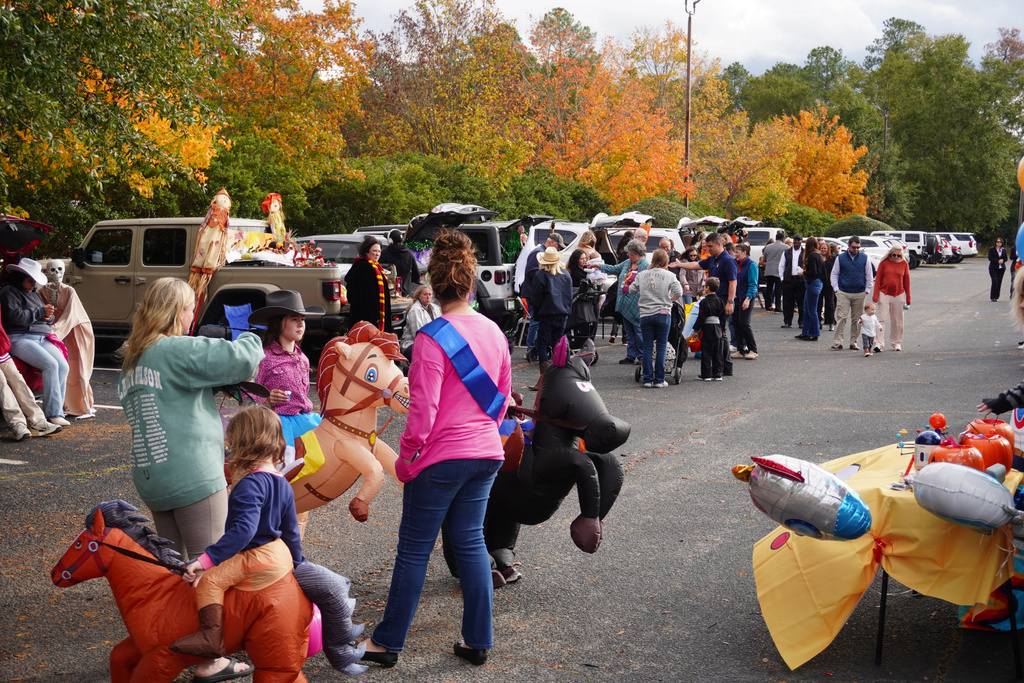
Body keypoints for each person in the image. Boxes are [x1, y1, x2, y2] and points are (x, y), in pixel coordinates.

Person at [360, 229, 511, 669]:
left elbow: (423, 412)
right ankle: (478, 640)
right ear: (469, 283)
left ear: (434, 284)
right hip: (485, 453)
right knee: (471, 544)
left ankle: (388, 643)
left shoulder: (431, 338)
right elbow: (501, 397)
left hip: (442, 457)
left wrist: (406, 458)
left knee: (413, 550)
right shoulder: (495, 332)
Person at [117, 277, 262, 682]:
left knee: (176, 571)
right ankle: (211, 659)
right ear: (173, 312)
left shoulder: (134, 357)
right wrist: (249, 333)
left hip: (154, 477)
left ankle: (170, 644)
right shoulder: (172, 349)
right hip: (193, 473)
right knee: (210, 568)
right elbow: (242, 360)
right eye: (186, 309)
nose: (190, 316)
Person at [171, 405, 304, 661]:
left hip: (254, 556)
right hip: (279, 555)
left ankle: (211, 638)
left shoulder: (249, 485)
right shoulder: (281, 481)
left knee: (209, 580)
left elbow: (244, 531)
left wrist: (205, 560)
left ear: (242, 444)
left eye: (230, 442)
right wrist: (298, 564)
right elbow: (291, 531)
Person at [249, 290, 325, 467]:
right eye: (294, 319)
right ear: (278, 323)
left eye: (303, 320)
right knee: (286, 465)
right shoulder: (264, 358)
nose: (300, 324)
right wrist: (266, 399)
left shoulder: (303, 358)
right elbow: (246, 395)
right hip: (276, 424)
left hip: (303, 420)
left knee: (328, 448)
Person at [0, 258, 70, 426]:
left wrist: (48, 316)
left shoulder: (33, 294)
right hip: (19, 337)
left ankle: (57, 410)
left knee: (63, 366)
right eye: (30, 280)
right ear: (19, 277)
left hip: (41, 336)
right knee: (50, 365)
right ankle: (52, 413)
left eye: (34, 281)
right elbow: (14, 317)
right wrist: (40, 313)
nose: (33, 285)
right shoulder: (8, 292)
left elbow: (45, 316)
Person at [39, 259, 95, 418]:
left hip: (77, 330)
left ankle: (84, 406)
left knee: (79, 367)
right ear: (48, 272)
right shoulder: (43, 291)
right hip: (56, 332)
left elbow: (72, 315)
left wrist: (53, 331)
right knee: (62, 365)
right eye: (53, 270)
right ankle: (63, 405)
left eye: (60, 270)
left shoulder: (69, 291)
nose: (57, 274)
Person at [0, 301, 60, 440]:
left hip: (1, 349)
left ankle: (38, 421)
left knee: (18, 381)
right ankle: (17, 424)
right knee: (2, 385)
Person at [679, 232, 737, 377]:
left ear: (719, 244)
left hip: (722, 299)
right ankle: (723, 367)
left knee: (720, 333)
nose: (707, 249)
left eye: (710, 246)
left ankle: (725, 366)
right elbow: (696, 265)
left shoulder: (727, 260)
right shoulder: (712, 259)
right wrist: (680, 264)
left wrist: (730, 301)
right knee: (719, 334)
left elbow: (733, 282)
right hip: (713, 298)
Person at [630, 248, 682, 387]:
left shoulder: (642, 274)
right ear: (665, 260)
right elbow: (679, 292)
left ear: (653, 259)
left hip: (646, 313)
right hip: (663, 312)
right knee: (661, 347)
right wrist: (670, 299)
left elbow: (632, 290)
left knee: (647, 347)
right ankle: (659, 379)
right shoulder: (669, 275)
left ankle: (647, 378)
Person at [599, 239, 649, 365]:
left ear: (637, 253)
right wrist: (598, 266)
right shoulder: (627, 263)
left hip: (637, 303)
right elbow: (614, 268)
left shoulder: (645, 265)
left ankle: (642, 356)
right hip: (625, 302)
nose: (627, 255)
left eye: (630, 253)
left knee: (638, 331)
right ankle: (631, 355)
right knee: (629, 331)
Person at [530, 247, 572, 390]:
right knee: (558, 345)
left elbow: (536, 298)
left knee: (542, 344)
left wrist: (536, 315)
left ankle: (544, 378)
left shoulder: (541, 275)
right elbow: (569, 296)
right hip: (562, 314)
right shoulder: (566, 274)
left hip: (547, 314)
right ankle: (560, 376)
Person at [520, 232, 565, 356]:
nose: (559, 249)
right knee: (535, 320)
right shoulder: (538, 252)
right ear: (551, 242)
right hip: (533, 292)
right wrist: (547, 278)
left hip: (538, 291)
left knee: (537, 320)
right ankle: (531, 348)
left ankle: (535, 347)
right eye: (558, 246)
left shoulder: (540, 251)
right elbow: (531, 272)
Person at [829, 235, 874, 351]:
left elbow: (869, 275)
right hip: (843, 292)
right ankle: (838, 342)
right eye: (854, 247)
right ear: (848, 246)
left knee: (857, 319)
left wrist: (867, 290)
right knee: (841, 317)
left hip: (859, 292)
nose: (856, 249)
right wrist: (836, 289)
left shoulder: (865, 258)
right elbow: (834, 274)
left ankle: (854, 342)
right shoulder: (840, 258)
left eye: (858, 247)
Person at [346, 236, 393, 333]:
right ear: (367, 251)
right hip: (367, 316)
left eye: (379, 251)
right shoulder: (364, 266)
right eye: (374, 251)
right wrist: (374, 316)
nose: (377, 254)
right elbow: (367, 294)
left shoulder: (376, 266)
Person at [871, 245, 911, 352]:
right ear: (890, 254)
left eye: (899, 255)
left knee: (897, 321)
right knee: (882, 319)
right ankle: (878, 343)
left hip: (899, 294)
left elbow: (907, 282)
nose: (896, 257)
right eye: (894, 255)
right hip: (884, 293)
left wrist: (908, 298)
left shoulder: (904, 264)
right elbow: (878, 280)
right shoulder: (884, 263)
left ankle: (896, 343)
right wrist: (875, 295)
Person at [694, 278, 726, 381]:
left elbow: (701, 317)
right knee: (717, 352)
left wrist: (696, 330)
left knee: (706, 351)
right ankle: (717, 374)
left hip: (707, 327)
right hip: (717, 327)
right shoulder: (720, 301)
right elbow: (723, 317)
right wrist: (722, 328)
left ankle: (706, 374)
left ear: (707, 288)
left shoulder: (704, 302)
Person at [731, 243, 759, 357]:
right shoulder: (736, 264)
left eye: (737, 252)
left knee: (744, 323)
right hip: (737, 298)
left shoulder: (752, 265)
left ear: (744, 252)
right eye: (734, 252)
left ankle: (753, 349)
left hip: (747, 297)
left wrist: (748, 298)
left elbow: (753, 284)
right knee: (736, 323)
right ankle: (740, 349)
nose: (735, 254)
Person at [797, 237, 826, 342]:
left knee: (811, 309)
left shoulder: (812, 256)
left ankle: (814, 333)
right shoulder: (818, 255)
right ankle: (806, 332)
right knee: (806, 308)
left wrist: (803, 273)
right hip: (816, 283)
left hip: (813, 283)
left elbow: (813, 272)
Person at [400, 284, 441, 359]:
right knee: (430, 354)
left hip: (430, 342)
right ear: (419, 296)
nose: (428, 297)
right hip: (412, 344)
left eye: (430, 294)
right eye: (425, 294)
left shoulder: (434, 308)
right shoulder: (415, 310)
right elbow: (417, 335)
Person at [379, 229, 421, 297]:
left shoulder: (385, 253)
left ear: (390, 240)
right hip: (405, 292)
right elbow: (416, 275)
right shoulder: (409, 253)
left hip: (389, 292)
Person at [778, 235, 805, 329]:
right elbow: (781, 265)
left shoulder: (804, 252)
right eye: (795, 240)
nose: (797, 242)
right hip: (788, 279)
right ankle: (787, 321)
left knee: (801, 301)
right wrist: (782, 278)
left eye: (799, 240)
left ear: (801, 241)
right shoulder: (787, 252)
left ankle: (801, 322)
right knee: (787, 301)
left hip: (801, 280)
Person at [821, 243, 839, 332]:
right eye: (822, 248)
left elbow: (836, 271)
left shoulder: (833, 259)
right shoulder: (818, 258)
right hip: (819, 282)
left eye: (825, 248)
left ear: (828, 249)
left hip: (829, 283)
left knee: (830, 303)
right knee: (818, 303)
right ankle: (818, 321)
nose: (823, 250)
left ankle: (830, 322)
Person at [989, 237, 1008, 302]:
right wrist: (997, 261)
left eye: (1000, 242)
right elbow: (990, 258)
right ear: (995, 243)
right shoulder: (992, 250)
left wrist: (1003, 260)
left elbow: (1006, 258)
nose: (999, 243)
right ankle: (992, 296)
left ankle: (996, 296)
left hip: (1001, 268)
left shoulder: (1003, 250)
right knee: (995, 281)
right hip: (993, 268)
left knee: (999, 282)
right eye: (997, 242)